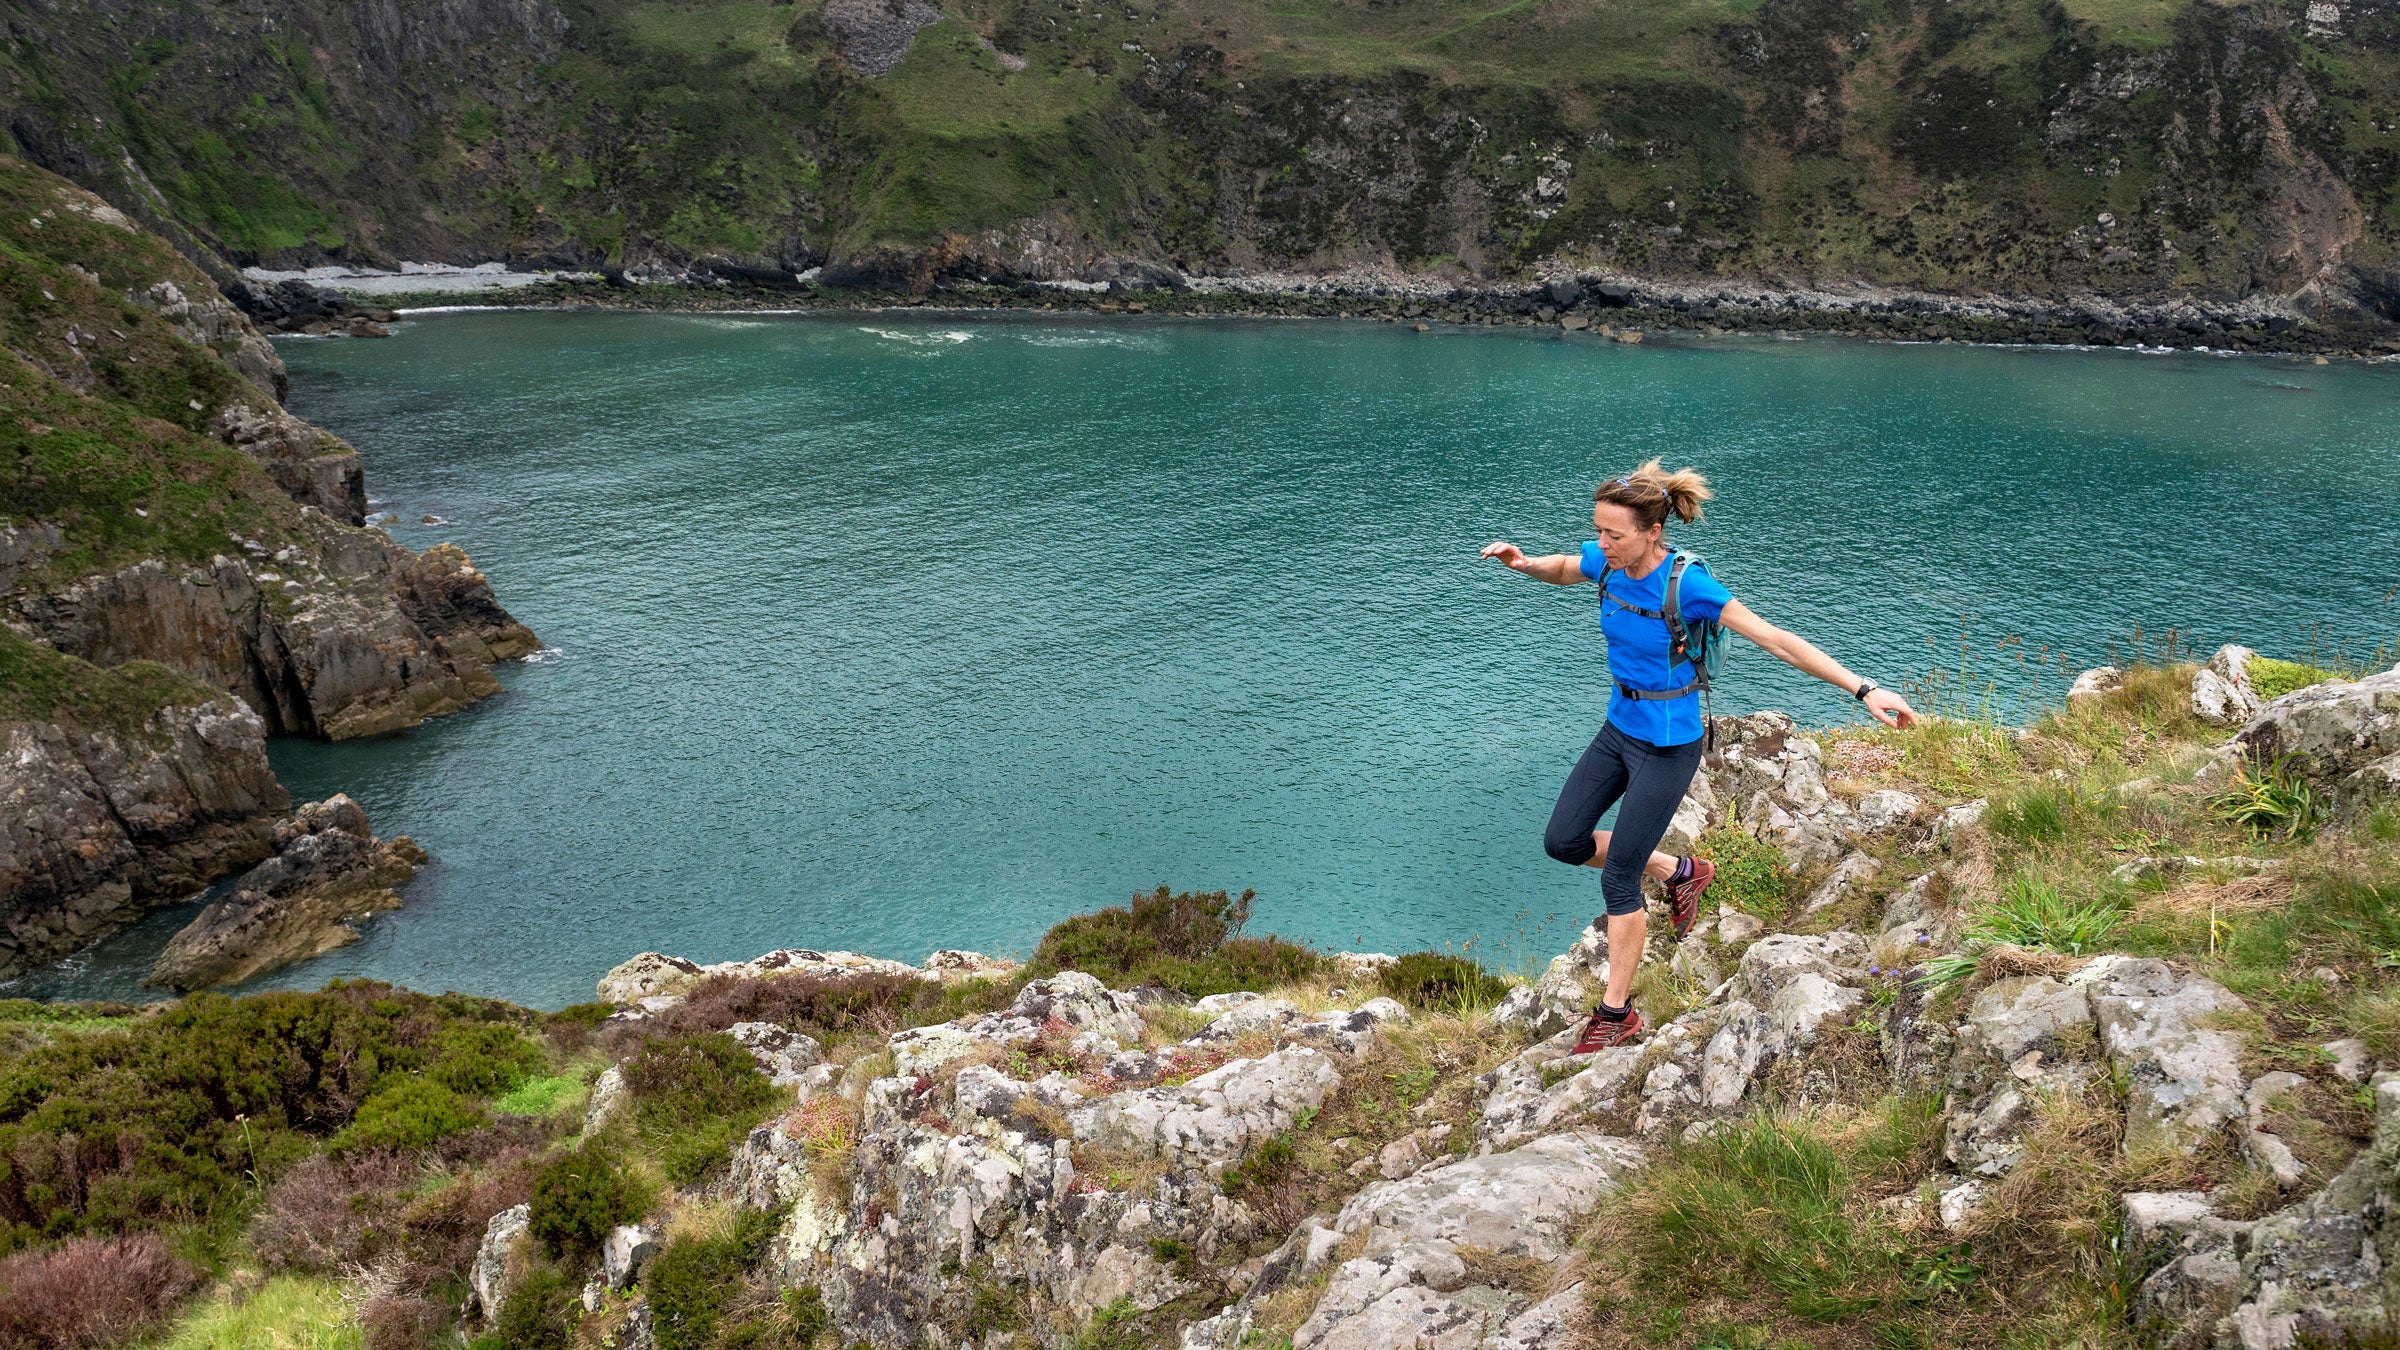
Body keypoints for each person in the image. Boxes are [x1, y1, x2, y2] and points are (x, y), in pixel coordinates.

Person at [1480, 460, 1919, 1052]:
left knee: (1617, 875)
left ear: (1652, 532)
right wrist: (1526, 563)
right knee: (1563, 841)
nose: (1601, 544)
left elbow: (1777, 640)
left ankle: (1616, 1014)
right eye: (1599, 531)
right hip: (1619, 729)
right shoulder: (1606, 562)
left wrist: (1864, 689)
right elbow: (1566, 566)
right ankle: (1681, 871)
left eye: (1614, 534)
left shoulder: (1687, 586)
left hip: (1669, 744)